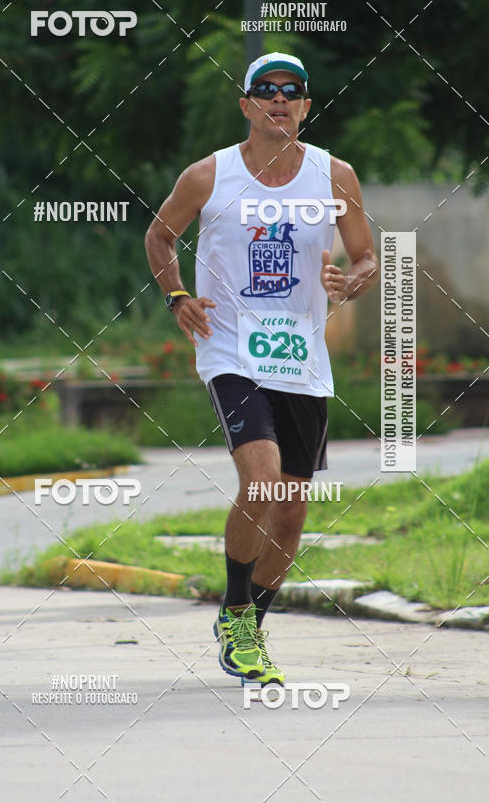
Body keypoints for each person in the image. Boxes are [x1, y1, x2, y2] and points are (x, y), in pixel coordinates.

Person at [145, 52, 379, 686]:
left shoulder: (335, 176)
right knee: (264, 478)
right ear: (246, 104)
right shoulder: (207, 176)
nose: (280, 99)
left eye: (293, 91)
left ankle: (247, 625)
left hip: (301, 358)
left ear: (306, 106)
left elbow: (366, 257)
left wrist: (351, 282)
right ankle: (236, 608)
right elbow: (159, 235)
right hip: (231, 350)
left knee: (292, 508)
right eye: (266, 90)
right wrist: (177, 297)